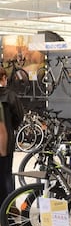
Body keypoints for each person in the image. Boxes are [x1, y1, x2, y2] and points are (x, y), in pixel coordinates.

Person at [0, 67, 24, 205]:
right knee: (6, 173)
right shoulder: (10, 95)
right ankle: (7, 207)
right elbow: (19, 116)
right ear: (4, 78)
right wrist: (11, 127)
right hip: (5, 142)